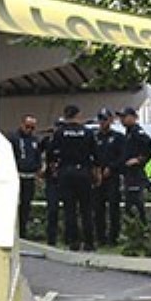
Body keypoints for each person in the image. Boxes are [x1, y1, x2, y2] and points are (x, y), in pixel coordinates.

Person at [46, 104, 96, 251]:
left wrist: (54, 167)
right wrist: (96, 172)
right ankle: (89, 242)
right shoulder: (87, 133)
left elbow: (51, 154)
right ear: (78, 115)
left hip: (66, 173)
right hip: (83, 172)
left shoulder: (59, 133)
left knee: (70, 209)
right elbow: (96, 155)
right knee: (86, 209)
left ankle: (73, 241)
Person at [118, 107, 151, 229]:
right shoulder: (128, 132)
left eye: (124, 117)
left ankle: (142, 229)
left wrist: (139, 160)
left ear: (133, 117)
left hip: (135, 174)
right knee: (129, 204)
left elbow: (149, 147)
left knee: (136, 204)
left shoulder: (137, 132)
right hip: (128, 174)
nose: (122, 120)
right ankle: (134, 230)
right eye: (121, 117)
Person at [93, 108, 125, 246]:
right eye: (100, 119)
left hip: (112, 176)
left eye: (105, 119)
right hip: (97, 176)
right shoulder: (94, 136)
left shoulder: (118, 137)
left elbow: (122, 156)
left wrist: (111, 167)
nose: (102, 122)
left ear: (111, 120)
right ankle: (100, 237)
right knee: (97, 208)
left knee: (113, 208)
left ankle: (113, 237)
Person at [11, 115, 42, 240]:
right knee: (14, 205)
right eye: (27, 126)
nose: (29, 130)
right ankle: (13, 230)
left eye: (32, 127)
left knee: (26, 205)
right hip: (16, 175)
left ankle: (23, 231)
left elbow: (37, 157)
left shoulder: (35, 140)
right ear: (22, 124)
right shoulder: (14, 138)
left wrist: (38, 170)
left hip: (30, 176)